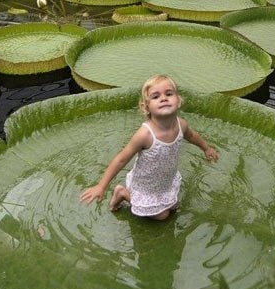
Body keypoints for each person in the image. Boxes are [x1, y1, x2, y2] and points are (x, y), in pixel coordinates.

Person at [79, 74, 219, 221]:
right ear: (146, 107)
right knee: (162, 216)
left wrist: (206, 148)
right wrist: (101, 186)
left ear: (178, 100)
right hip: (146, 184)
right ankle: (122, 193)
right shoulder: (145, 135)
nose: (163, 98)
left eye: (169, 94)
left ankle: (161, 200)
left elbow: (191, 136)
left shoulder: (181, 124)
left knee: (174, 206)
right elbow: (121, 159)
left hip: (165, 179)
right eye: (156, 96)